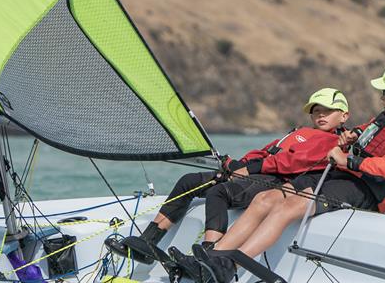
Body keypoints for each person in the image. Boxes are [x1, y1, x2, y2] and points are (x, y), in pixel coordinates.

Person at [194, 61, 385, 283]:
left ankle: (230, 265)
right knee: (265, 199)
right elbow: (368, 130)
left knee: (286, 208)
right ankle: (214, 256)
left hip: (364, 190)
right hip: (342, 176)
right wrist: (352, 134)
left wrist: (348, 160)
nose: (382, 97)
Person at [106, 88, 350, 270]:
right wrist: (237, 164)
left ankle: (210, 252)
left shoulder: (333, 142)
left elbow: (291, 163)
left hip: (274, 182)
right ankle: (148, 241)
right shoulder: (299, 133)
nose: (320, 115)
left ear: (343, 116)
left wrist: (249, 168)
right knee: (189, 181)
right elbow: (266, 151)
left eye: (328, 111)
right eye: (316, 110)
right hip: (256, 172)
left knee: (219, 193)